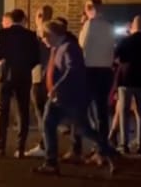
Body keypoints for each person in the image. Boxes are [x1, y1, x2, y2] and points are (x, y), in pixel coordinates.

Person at [35, 20, 120, 175]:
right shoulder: (59, 48)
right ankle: (51, 162)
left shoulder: (69, 48)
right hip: (58, 98)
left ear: (51, 35)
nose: (42, 40)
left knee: (84, 129)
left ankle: (109, 151)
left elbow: (73, 70)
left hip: (70, 98)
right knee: (48, 124)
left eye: (44, 37)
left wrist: (57, 87)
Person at [0, 9, 39, 158]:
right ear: (23, 20)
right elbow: (36, 58)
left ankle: (0, 147)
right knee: (23, 111)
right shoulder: (30, 35)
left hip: (6, 76)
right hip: (23, 77)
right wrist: (25, 66)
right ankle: (20, 148)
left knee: (2, 111)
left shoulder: (3, 34)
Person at [74, 0, 115, 160]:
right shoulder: (108, 26)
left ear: (88, 8)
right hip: (106, 71)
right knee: (102, 112)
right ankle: (102, 147)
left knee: (81, 112)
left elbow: (81, 47)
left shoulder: (89, 25)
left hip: (89, 71)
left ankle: (89, 147)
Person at [112, 15, 141, 153]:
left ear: (132, 26)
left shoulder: (125, 40)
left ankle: (123, 143)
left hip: (126, 78)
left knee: (124, 111)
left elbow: (115, 57)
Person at [24, 6, 54, 158]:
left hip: (40, 79)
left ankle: (45, 146)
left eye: (40, 16)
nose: (38, 19)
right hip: (45, 78)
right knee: (44, 114)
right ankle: (46, 144)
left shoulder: (41, 36)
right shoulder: (51, 36)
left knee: (42, 114)